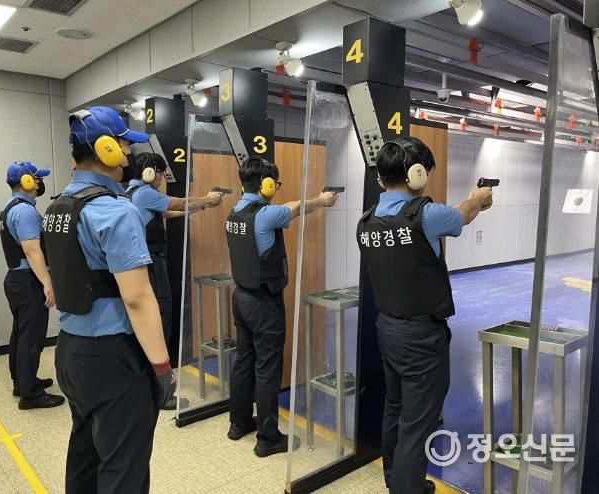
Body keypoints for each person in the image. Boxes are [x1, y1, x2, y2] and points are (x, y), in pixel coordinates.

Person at [44, 106, 176, 494]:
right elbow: (137, 298)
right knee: (123, 468)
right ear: (106, 149)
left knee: (84, 456)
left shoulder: (57, 207)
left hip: (70, 351)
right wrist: (162, 368)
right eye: (124, 144)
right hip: (113, 358)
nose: (129, 153)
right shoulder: (115, 212)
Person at [357, 137, 493, 494]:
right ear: (416, 173)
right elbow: (463, 213)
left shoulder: (366, 221)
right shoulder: (425, 214)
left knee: (395, 407)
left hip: (388, 329)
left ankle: (398, 480)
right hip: (421, 335)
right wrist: (478, 198)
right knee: (418, 423)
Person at [225, 156, 338, 457]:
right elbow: (296, 207)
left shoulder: (235, 212)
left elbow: (286, 206)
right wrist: (322, 200)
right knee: (267, 369)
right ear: (265, 184)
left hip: (241, 298)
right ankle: (268, 437)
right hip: (263, 302)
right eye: (274, 183)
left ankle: (238, 423)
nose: (276, 188)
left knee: (244, 361)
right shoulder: (265, 215)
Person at [126, 152, 223, 376]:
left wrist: (201, 207)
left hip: (144, 260)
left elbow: (167, 212)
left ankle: (147, 371)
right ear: (149, 173)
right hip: (152, 260)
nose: (161, 179)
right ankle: (159, 373)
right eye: (160, 174)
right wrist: (207, 199)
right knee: (162, 311)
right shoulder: (144, 193)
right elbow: (178, 203)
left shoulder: (130, 192)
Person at [0, 161, 65, 410]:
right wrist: (47, 283)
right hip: (28, 281)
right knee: (32, 337)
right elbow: (31, 249)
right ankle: (30, 394)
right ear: (26, 182)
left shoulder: (9, 207)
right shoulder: (25, 211)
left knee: (20, 334)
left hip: (16, 280)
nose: (40, 183)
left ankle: (22, 382)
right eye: (37, 178)